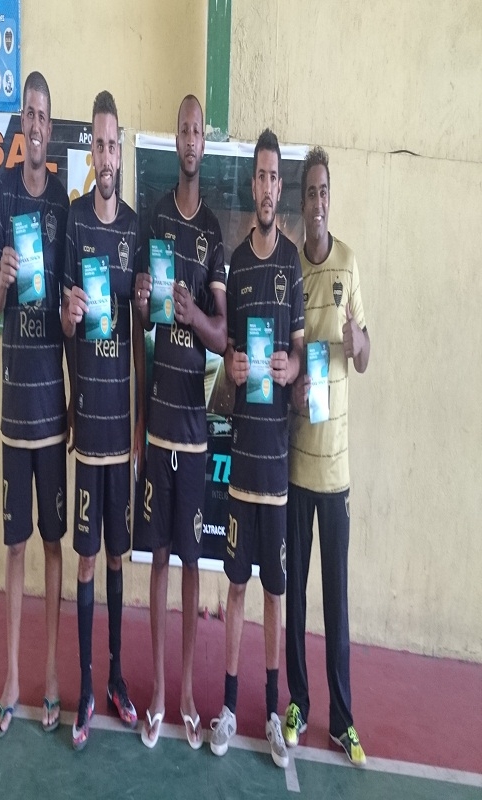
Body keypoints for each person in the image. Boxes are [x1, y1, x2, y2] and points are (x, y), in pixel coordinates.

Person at [134, 94, 227, 750]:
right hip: (159, 425)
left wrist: (193, 314)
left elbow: (221, 335)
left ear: (203, 142)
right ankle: (161, 696)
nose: (191, 140)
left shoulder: (214, 232)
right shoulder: (156, 217)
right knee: (160, 560)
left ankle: (191, 693)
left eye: (198, 131)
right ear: (175, 140)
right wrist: (145, 301)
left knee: (193, 564)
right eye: (184, 130)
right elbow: (141, 317)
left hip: (194, 432)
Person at [209, 129, 304, 768]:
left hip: (278, 466)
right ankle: (226, 708)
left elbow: (296, 355)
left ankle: (271, 712)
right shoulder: (237, 264)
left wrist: (289, 367)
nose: (268, 187)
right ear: (251, 184)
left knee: (274, 592)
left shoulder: (291, 262)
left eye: (275, 178)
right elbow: (227, 358)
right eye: (261, 177)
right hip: (243, 461)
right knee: (237, 588)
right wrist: (235, 366)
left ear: (279, 187)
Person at [61, 91, 146, 751]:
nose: (107, 154)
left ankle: (117, 678)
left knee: (119, 556)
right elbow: (66, 326)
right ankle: (87, 687)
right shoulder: (73, 223)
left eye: (114, 144)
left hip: (123, 432)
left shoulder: (136, 231)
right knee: (86, 561)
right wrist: (69, 318)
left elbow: (142, 332)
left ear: (122, 151)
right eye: (99, 144)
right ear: (90, 152)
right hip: (88, 427)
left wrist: (140, 422)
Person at [0, 71, 70, 737]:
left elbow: (71, 313)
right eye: (30, 115)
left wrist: (71, 313)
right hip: (15, 414)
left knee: (51, 545)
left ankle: (49, 676)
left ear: (51, 125)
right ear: (21, 124)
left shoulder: (63, 206)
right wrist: (3, 277)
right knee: (15, 547)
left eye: (44, 116)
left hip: (54, 411)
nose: (36, 126)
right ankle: (13, 675)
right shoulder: (4, 193)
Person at [283, 146, 371, 766]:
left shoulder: (349, 263)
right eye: (311, 192)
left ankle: (343, 720)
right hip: (296, 465)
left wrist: (356, 338)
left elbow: (364, 357)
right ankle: (298, 704)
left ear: (330, 199)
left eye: (325, 192)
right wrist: (294, 384)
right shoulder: (292, 269)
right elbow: (289, 362)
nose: (318, 202)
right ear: (301, 200)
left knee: (335, 602)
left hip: (336, 471)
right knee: (295, 597)